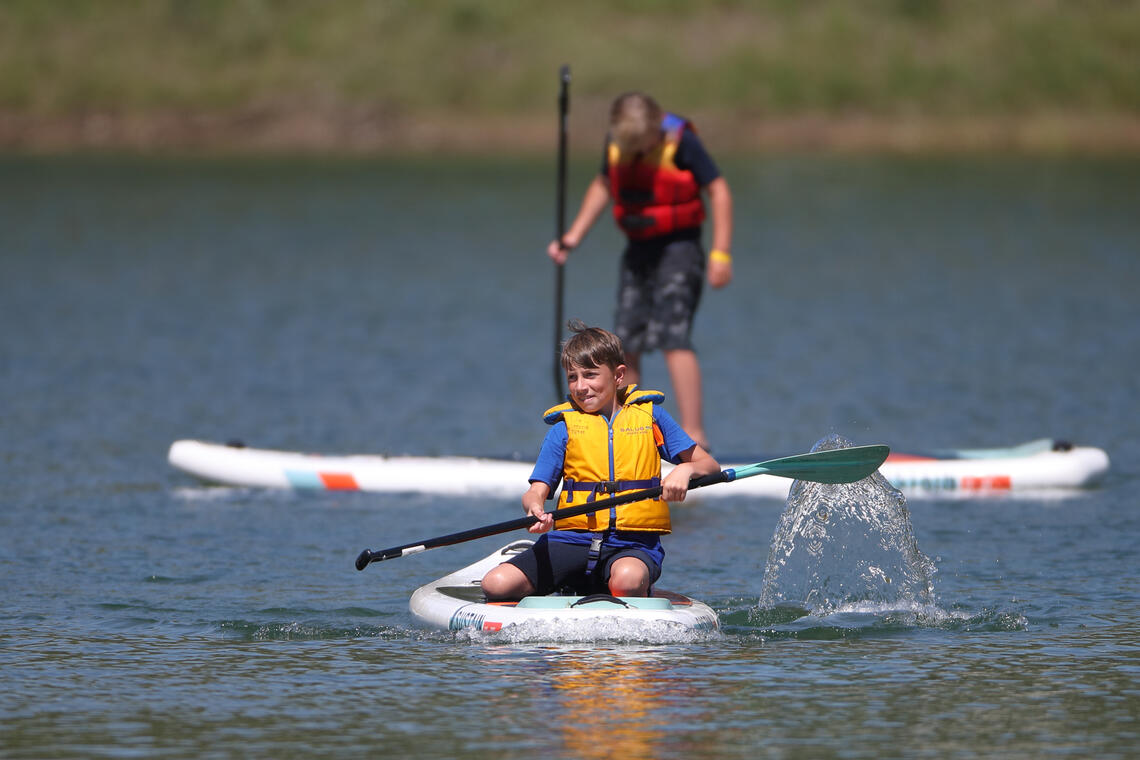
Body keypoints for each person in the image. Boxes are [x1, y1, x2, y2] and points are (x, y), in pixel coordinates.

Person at [547, 91, 734, 451]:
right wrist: (571, 238)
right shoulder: (616, 143)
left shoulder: (681, 142)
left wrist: (720, 254)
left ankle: (695, 437)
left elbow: (719, 190)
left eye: (643, 146)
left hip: (680, 248)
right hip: (638, 250)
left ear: (657, 131)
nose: (635, 153)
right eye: (629, 146)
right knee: (626, 342)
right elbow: (603, 185)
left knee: (672, 336)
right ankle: (627, 429)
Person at [481, 321, 720, 601]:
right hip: (571, 541)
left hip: (631, 545)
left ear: (618, 375)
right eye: (573, 377)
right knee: (495, 584)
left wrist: (685, 469)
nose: (581, 386)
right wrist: (534, 508)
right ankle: (572, 584)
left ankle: (638, 589)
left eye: (591, 375)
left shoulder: (651, 417)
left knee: (627, 581)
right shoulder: (564, 428)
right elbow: (536, 490)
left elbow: (709, 466)